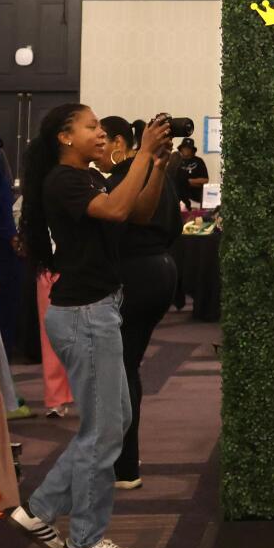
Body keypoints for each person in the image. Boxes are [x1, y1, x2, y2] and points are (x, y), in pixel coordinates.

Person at [11, 104, 170, 548]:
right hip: (84, 315)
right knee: (101, 432)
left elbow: (137, 213)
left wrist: (156, 165)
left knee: (112, 424)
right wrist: (140, 153)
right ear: (65, 137)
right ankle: (84, 540)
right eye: (91, 127)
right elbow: (119, 208)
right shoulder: (65, 180)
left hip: (97, 310)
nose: (101, 134)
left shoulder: (91, 177)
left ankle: (38, 510)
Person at [112, 114, 180, 490]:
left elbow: (127, 215)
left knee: (123, 368)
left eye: (102, 136)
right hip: (161, 268)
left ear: (121, 142)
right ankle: (125, 461)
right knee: (128, 367)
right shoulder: (159, 173)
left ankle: (124, 463)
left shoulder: (130, 175)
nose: (99, 145)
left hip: (136, 274)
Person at [174, 136, 209, 208]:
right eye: (184, 147)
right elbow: (173, 180)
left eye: (189, 148)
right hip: (178, 198)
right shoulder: (176, 161)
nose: (186, 150)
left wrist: (188, 181)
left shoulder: (199, 161)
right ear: (181, 149)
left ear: (192, 150)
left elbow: (205, 180)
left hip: (195, 198)